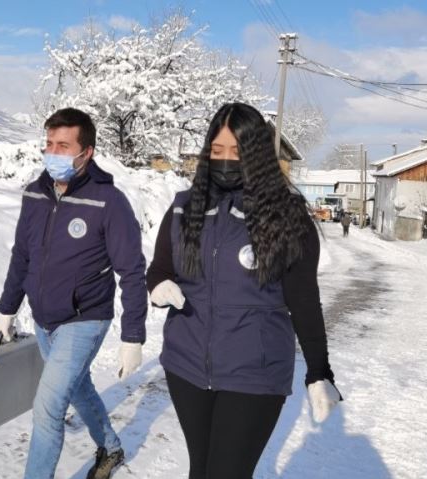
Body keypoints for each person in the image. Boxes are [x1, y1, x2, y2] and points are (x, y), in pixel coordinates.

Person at [146, 103, 342, 478]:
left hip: (255, 372)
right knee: (200, 471)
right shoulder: (184, 208)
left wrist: (319, 370)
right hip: (186, 365)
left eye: (236, 152)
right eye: (216, 151)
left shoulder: (287, 216)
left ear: (256, 154)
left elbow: (303, 300)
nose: (224, 161)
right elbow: (159, 269)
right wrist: (158, 287)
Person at [0, 107, 148, 479]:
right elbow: (22, 255)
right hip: (45, 319)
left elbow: (131, 271)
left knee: (47, 408)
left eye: (63, 145)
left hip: (86, 319)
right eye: (49, 144)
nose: (53, 153)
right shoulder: (35, 193)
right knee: (79, 390)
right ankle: (111, 448)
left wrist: (133, 336)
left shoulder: (108, 202)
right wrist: (7, 307)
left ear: (86, 152)